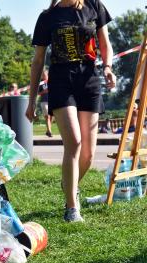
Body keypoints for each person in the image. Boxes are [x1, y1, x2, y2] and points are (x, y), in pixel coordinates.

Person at [26, 0, 116, 222]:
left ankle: (70, 184)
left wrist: (108, 67)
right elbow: (38, 61)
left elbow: (105, 44)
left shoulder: (94, 6)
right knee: (74, 142)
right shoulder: (47, 17)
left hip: (89, 80)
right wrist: (31, 101)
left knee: (88, 153)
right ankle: (71, 208)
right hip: (61, 81)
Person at [38, 69, 53, 137]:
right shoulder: (41, 83)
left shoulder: (52, 81)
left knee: (51, 117)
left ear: (47, 75)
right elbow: (38, 93)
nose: (43, 76)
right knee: (47, 116)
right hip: (44, 101)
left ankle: (48, 130)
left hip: (51, 100)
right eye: (42, 75)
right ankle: (49, 131)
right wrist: (44, 91)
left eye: (44, 74)